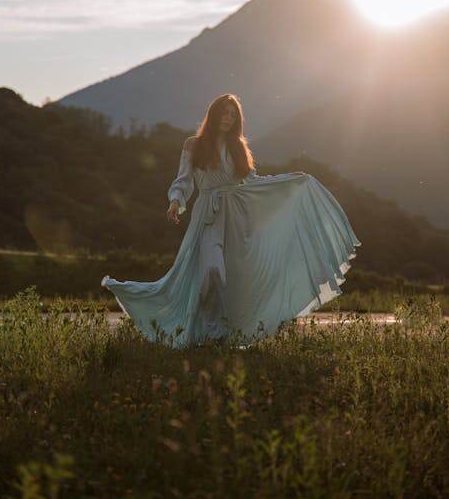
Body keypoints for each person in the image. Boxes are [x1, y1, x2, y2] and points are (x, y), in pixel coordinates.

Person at [102, 93, 360, 347]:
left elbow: (252, 182)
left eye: (233, 115)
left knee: (236, 278)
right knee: (212, 272)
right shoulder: (194, 145)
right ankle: (210, 331)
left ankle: (222, 336)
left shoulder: (238, 148)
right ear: (213, 114)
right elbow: (183, 181)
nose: (228, 118)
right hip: (208, 217)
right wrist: (175, 202)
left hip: (237, 219)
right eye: (224, 113)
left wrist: (290, 181)